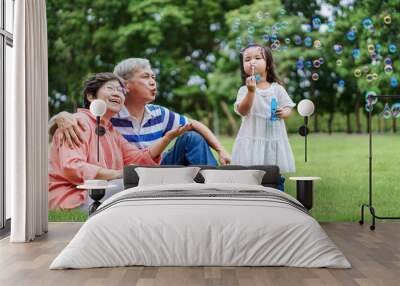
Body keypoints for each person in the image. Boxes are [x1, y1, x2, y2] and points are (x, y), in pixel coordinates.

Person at [50, 58, 231, 166]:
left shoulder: (159, 113)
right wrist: (60, 117)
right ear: (125, 85)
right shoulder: (111, 114)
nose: (153, 82)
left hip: (156, 170)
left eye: (154, 77)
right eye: (145, 77)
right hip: (125, 176)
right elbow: (85, 118)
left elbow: (195, 124)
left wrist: (221, 150)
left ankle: (212, 189)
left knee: (192, 137)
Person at [49, 73, 191, 209]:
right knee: (134, 186)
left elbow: (138, 159)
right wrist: (117, 174)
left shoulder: (112, 132)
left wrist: (167, 139)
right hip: (73, 198)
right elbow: (72, 167)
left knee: (140, 184)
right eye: (110, 88)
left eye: (121, 91)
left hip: (103, 192)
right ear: (91, 96)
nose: (117, 93)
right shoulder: (77, 123)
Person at [231, 44, 296, 191]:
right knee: (250, 176)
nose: (252, 62)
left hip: (272, 140)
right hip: (252, 141)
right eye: (247, 59)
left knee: (274, 175)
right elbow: (242, 110)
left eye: (257, 58)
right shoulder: (244, 90)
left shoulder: (277, 89)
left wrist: (283, 113)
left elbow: (289, 109)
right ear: (243, 66)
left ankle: (277, 197)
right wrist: (251, 92)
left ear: (268, 65)